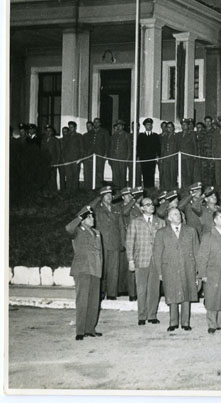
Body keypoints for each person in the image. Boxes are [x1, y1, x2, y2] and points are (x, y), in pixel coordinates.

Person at [153, 207, 199, 331]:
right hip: (169, 268)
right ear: (169, 218)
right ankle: (173, 322)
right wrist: (159, 272)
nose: (177, 216)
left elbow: (196, 251)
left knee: (186, 294)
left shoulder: (191, 230)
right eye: (174, 214)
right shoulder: (161, 233)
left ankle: (185, 322)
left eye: (178, 214)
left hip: (187, 267)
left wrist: (197, 270)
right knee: (171, 294)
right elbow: (157, 253)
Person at [65, 206, 103, 341]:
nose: (93, 219)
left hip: (95, 270)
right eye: (89, 217)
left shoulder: (97, 233)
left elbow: (100, 254)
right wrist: (80, 217)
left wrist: (100, 270)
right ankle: (80, 331)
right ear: (82, 220)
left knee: (94, 301)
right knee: (82, 300)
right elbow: (68, 228)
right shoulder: (78, 231)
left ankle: (90, 329)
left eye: (93, 216)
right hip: (82, 269)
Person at [126, 197, 165, 325]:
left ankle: (152, 315)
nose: (151, 206)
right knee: (141, 289)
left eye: (152, 204)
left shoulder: (161, 222)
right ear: (142, 208)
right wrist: (130, 260)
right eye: (147, 205)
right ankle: (141, 316)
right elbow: (130, 242)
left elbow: (164, 242)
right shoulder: (135, 222)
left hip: (156, 261)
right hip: (141, 259)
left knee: (154, 289)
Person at [89, 186, 122, 300]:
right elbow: (88, 208)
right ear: (102, 196)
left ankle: (112, 293)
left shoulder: (116, 208)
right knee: (101, 269)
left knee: (113, 269)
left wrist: (122, 242)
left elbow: (121, 226)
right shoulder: (97, 208)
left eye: (110, 194)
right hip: (101, 243)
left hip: (114, 242)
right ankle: (101, 292)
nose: (109, 197)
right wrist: (98, 198)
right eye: (106, 195)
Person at [138, 118, 161, 188]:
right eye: (148, 125)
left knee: (151, 174)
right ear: (145, 126)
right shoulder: (141, 136)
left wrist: (158, 156)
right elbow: (138, 147)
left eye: (150, 125)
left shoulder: (155, 136)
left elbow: (158, 147)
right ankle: (146, 190)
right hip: (144, 159)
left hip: (152, 159)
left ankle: (151, 189)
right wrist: (139, 157)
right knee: (145, 174)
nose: (149, 126)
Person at [61, 121, 83, 192]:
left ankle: (75, 191)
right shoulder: (66, 136)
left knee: (75, 176)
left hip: (76, 159)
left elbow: (82, 148)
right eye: (69, 127)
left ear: (75, 128)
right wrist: (64, 159)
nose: (70, 129)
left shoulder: (79, 136)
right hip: (67, 159)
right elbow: (63, 148)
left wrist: (80, 158)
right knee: (68, 176)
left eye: (72, 127)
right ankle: (68, 191)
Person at [109, 119, 131, 188]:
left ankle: (123, 189)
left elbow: (129, 148)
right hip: (114, 158)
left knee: (122, 174)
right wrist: (110, 158)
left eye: (120, 126)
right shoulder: (114, 136)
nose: (118, 127)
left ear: (123, 127)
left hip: (123, 158)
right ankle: (116, 189)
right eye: (118, 125)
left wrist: (127, 159)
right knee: (115, 175)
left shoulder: (127, 135)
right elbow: (111, 148)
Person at [159, 121, 179, 190]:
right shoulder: (164, 136)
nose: (169, 129)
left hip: (173, 158)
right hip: (165, 157)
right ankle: (166, 189)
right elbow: (162, 148)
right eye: (168, 127)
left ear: (173, 128)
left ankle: (172, 188)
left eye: (171, 127)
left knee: (173, 174)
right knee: (166, 174)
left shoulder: (176, 136)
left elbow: (178, 147)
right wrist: (161, 157)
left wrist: (176, 157)